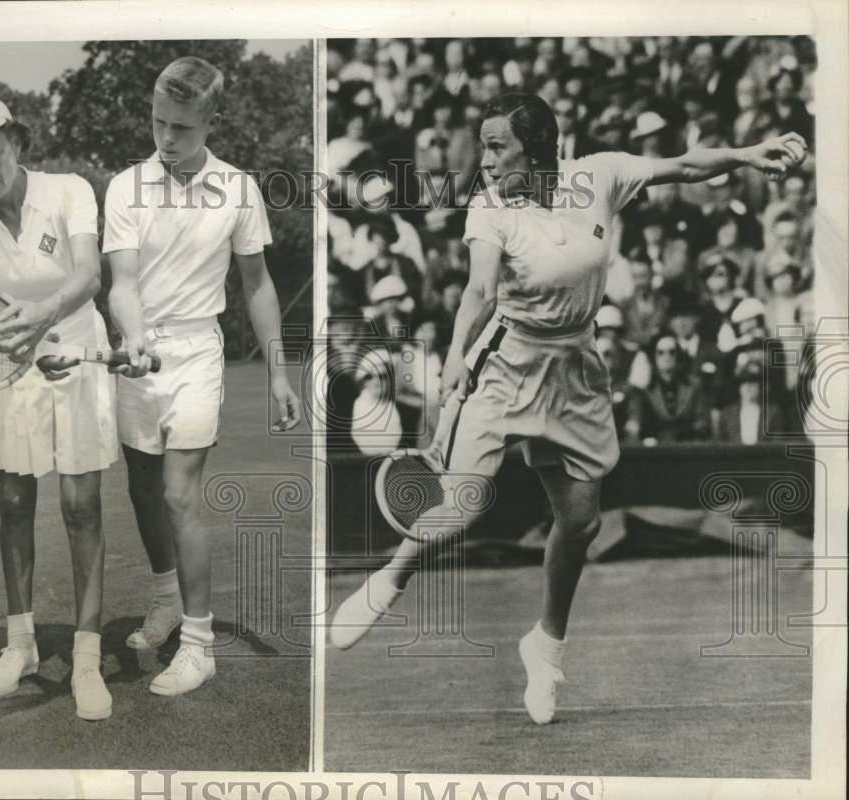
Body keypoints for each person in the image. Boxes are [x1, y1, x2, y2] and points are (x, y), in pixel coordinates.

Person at [330, 90, 807, 724]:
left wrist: (748, 153)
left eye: (497, 147)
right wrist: (452, 366)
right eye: (484, 148)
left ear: (538, 148)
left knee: (581, 521)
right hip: (505, 364)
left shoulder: (598, 174)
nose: (486, 161)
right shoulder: (489, 208)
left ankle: (545, 647)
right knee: (465, 503)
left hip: (575, 370)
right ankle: (392, 577)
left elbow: (685, 166)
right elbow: (477, 291)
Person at [100, 57, 301, 696]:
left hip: (196, 354)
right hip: (139, 351)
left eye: (181, 127)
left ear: (211, 121)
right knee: (140, 484)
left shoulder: (239, 188)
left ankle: (199, 643)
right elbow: (121, 284)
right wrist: (132, 337)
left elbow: (258, 284)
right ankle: (165, 598)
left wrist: (278, 373)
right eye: (158, 122)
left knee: (179, 492)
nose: (165, 138)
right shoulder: (124, 185)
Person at [0, 94, 117, 720]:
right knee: (14, 503)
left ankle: (88, 660)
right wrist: (19, 342)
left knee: (80, 504)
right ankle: (22, 646)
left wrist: (44, 317)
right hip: (11, 365)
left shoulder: (70, 191)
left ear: (16, 141)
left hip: (79, 351)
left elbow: (90, 275)